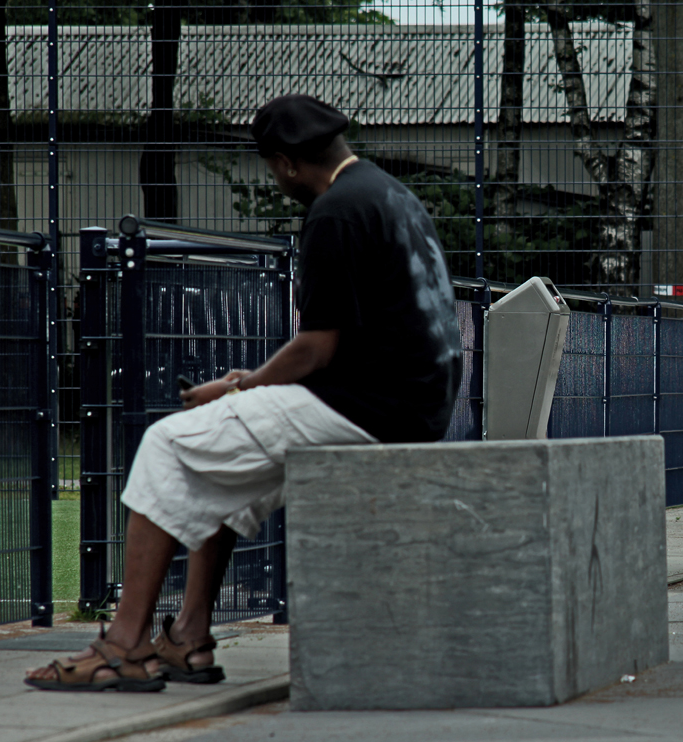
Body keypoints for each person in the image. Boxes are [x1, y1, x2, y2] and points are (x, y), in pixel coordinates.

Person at [25, 94, 463, 691]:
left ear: (283, 163)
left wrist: (241, 386)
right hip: (412, 405)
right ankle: (187, 639)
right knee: (223, 461)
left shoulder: (335, 212)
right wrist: (242, 389)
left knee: (167, 444)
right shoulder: (390, 196)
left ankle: (123, 644)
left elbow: (317, 348)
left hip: (368, 408)